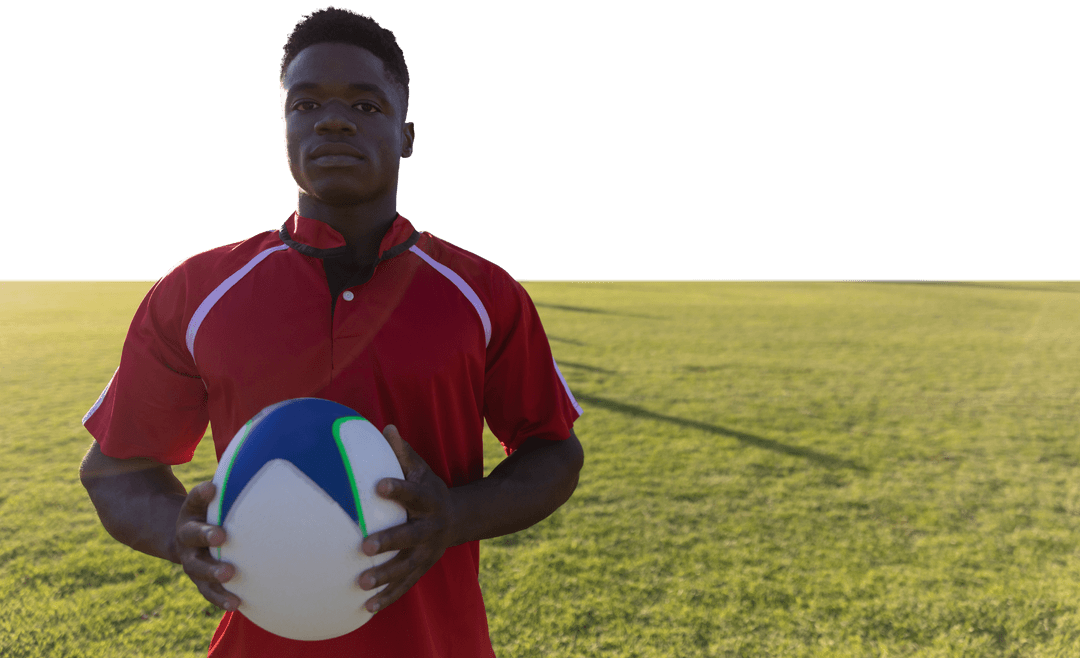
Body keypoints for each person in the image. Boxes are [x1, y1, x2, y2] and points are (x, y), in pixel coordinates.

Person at [78, 7, 584, 657]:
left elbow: (553, 451)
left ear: (407, 134)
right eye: (305, 103)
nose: (334, 118)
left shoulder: (483, 293)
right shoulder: (196, 291)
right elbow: (116, 470)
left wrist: (457, 516)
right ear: (283, 127)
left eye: (367, 105)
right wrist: (175, 534)